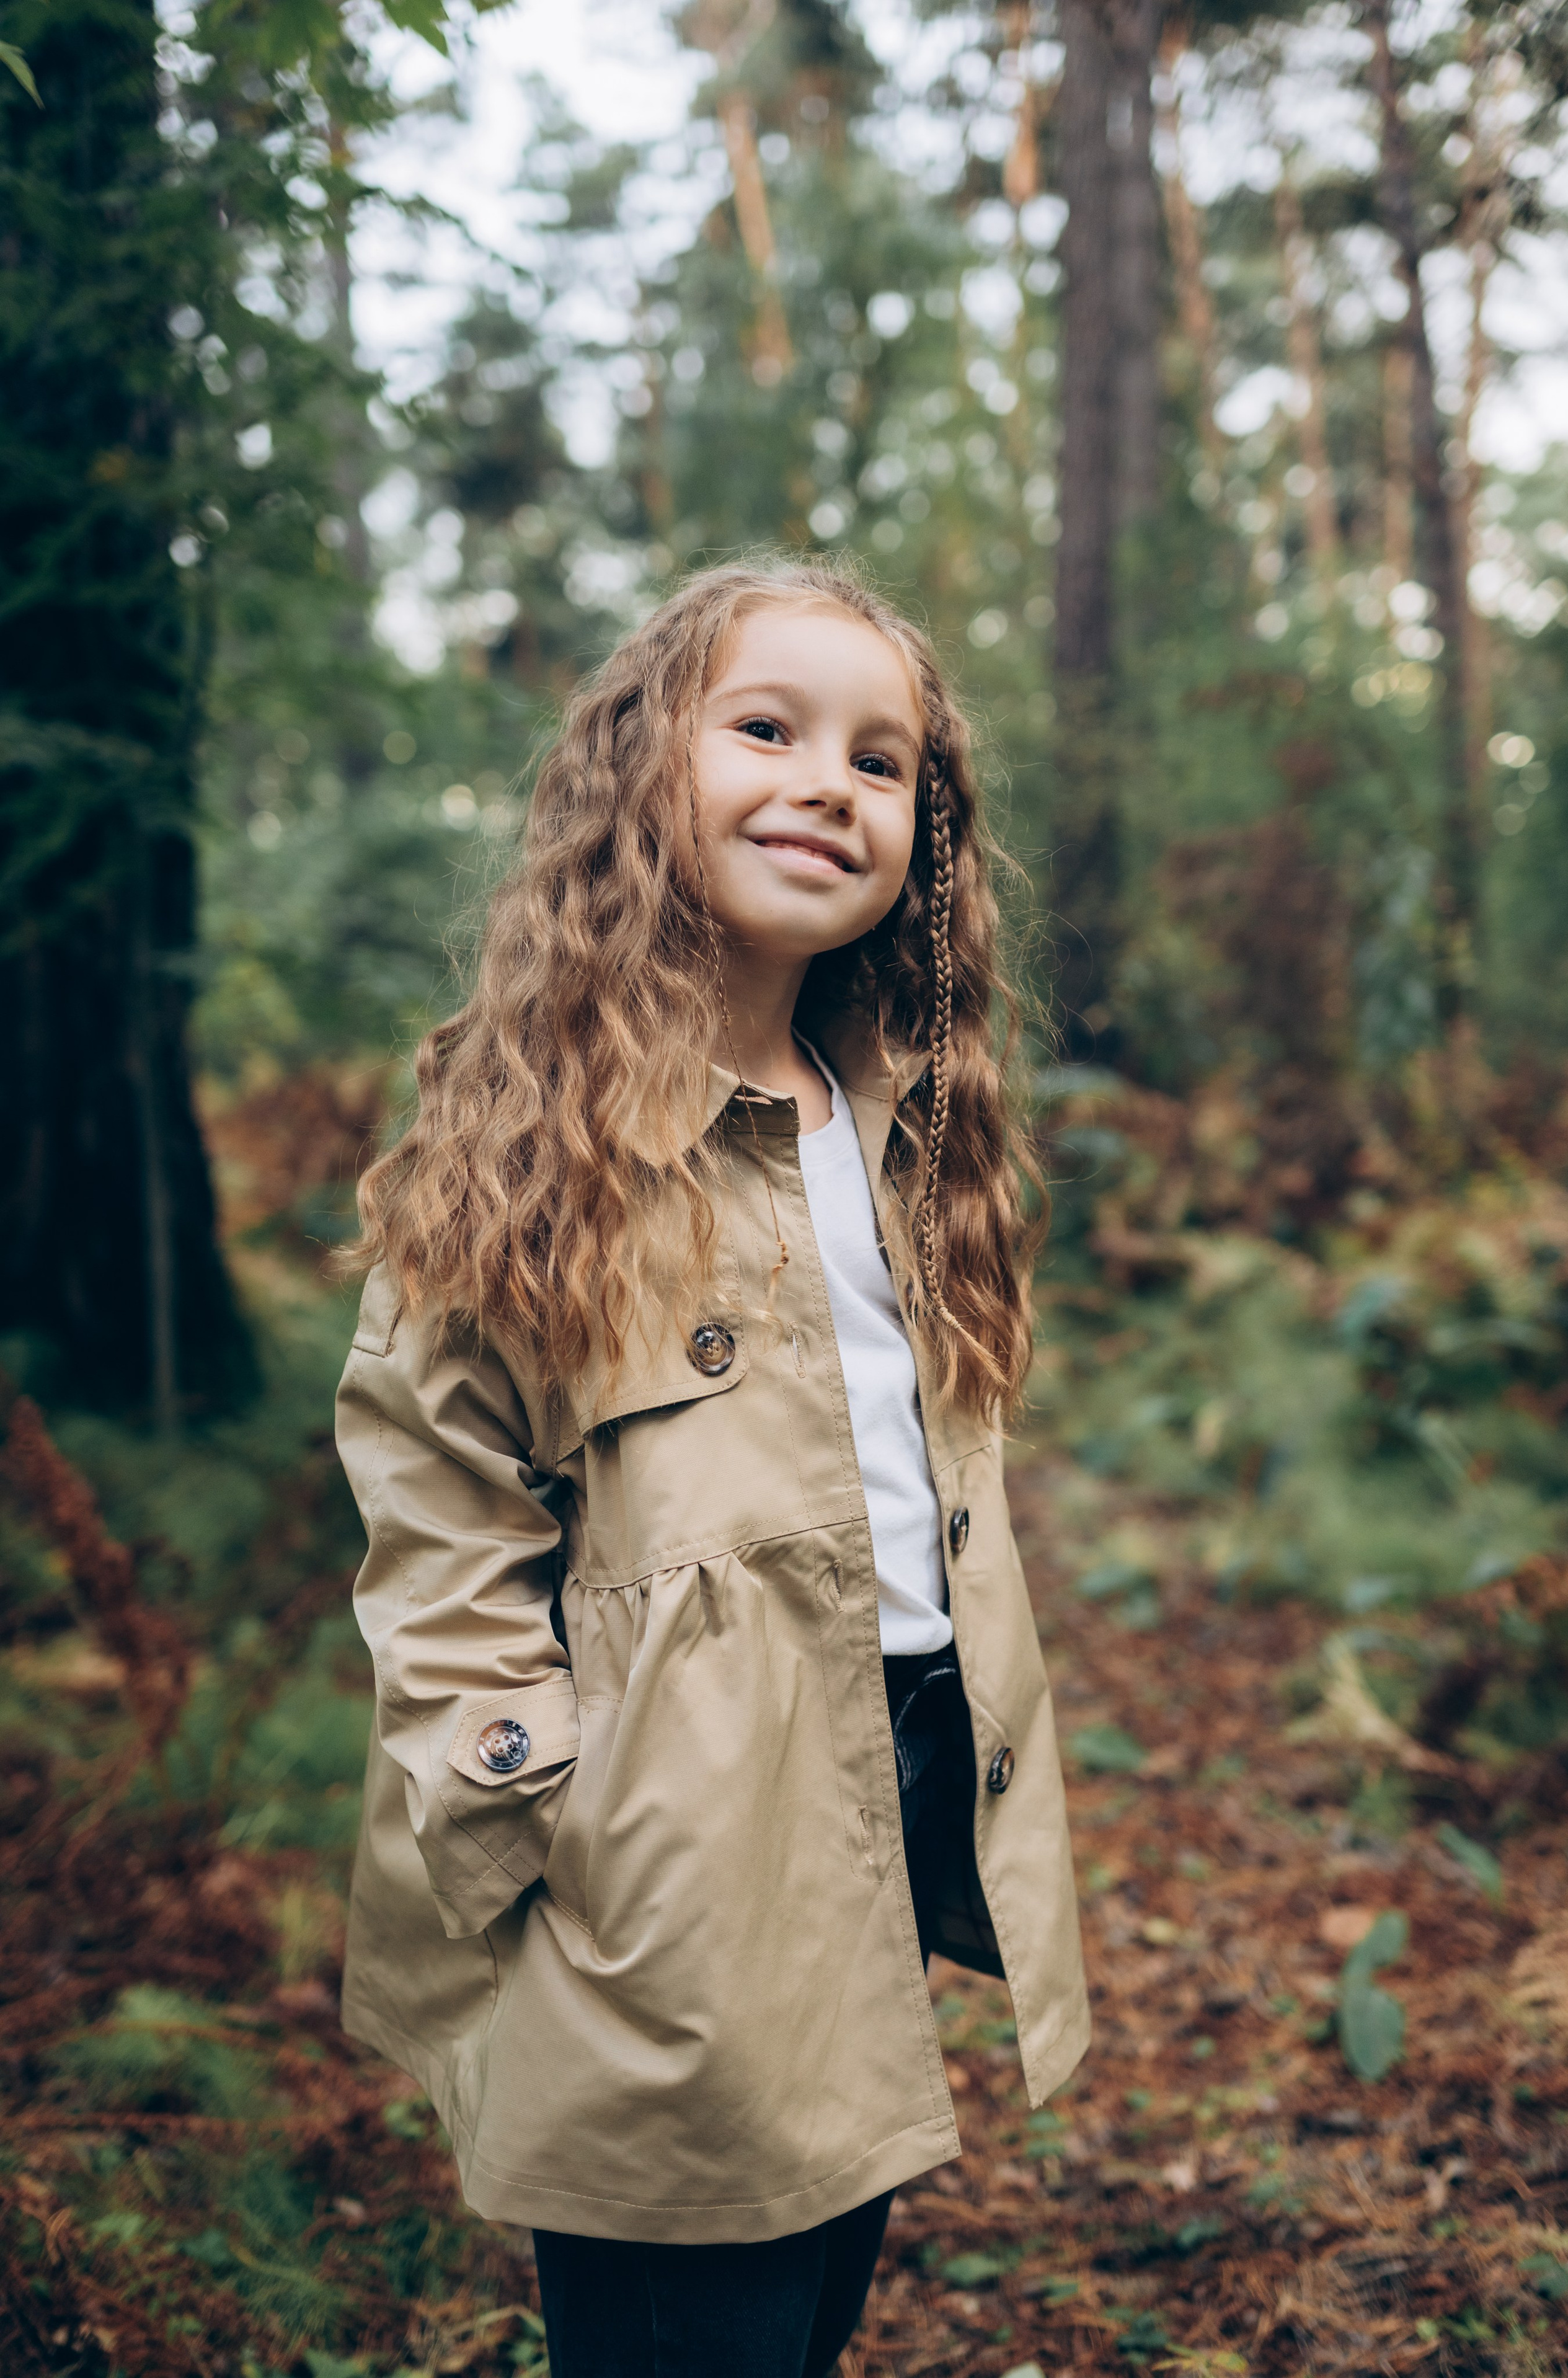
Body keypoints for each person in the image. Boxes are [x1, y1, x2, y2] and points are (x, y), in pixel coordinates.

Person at [335, 557, 1090, 2377]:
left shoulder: (905, 1117)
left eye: (882, 758)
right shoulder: (535, 1136)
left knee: (815, 2270)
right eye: (767, 728)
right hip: (660, 1826)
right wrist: (547, 1793)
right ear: (641, 775)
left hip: (898, 1766)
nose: (829, 782)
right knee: (692, 2321)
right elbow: (439, 1501)